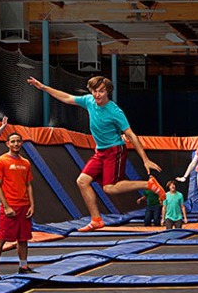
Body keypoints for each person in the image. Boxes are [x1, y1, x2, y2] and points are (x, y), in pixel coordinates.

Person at [27, 76, 166, 231]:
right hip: (100, 151)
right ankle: (96, 219)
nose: (97, 95)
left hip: (115, 150)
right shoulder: (89, 101)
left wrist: (145, 159)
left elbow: (131, 135)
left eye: (101, 91)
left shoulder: (115, 111)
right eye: (94, 91)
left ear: (108, 92)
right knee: (82, 181)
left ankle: (149, 184)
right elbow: (66, 98)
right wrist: (43, 87)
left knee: (109, 188)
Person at [0, 132, 35, 282]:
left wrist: (32, 205)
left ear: (21, 143)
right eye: (13, 141)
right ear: (7, 144)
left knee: (23, 238)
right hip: (10, 207)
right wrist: (6, 206)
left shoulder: (26, 163)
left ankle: (24, 266)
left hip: (24, 206)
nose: (16, 144)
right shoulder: (0, 161)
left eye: (18, 141)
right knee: (1, 238)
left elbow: (28, 185)